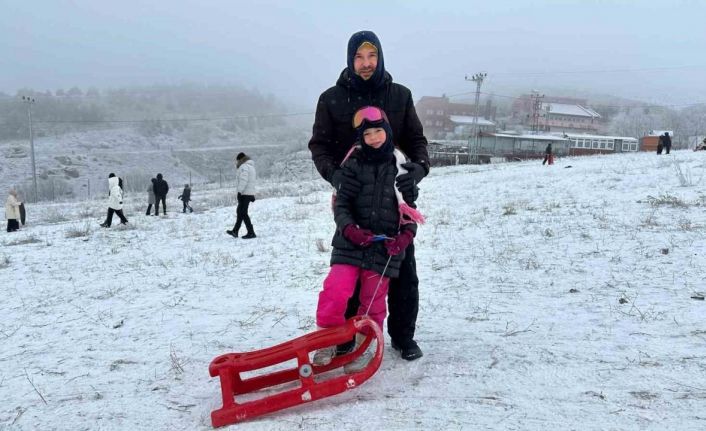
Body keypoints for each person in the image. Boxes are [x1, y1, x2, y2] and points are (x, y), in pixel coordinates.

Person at [308, 30, 430, 361]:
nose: (365, 64)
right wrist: (335, 177)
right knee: (349, 270)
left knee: (402, 272)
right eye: (359, 57)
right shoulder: (331, 99)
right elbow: (318, 145)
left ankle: (403, 337)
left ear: (380, 58)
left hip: (394, 201)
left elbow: (418, 141)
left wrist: (418, 169)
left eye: (371, 56)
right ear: (350, 60)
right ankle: (345, 338)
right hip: (354, 201)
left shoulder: (400, 96)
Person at [313, 107, 422, 373]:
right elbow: (342, 204)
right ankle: (327, 339)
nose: (373, 137)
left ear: (388, 132)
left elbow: (409, 212)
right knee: (336, 290)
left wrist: (404, 238)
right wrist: (349, 229)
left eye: (378, 131)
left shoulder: (400, 168)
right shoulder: (352, 164)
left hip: (383, 250)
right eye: (368, 133)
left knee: (373, 301)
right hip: (350, 243)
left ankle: (367, 345)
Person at [226, 152, 256, 239]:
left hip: (244, 193)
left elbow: (244, 180)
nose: (237, 162)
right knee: (240, 212)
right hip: (248, 193)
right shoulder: (251, 167)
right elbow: (252, 181)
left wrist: (239, 191)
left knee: (243, 212)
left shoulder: (244, 167)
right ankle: (235, 231)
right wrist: (251, 194)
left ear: (240, 159)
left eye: (237, 160)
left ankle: (251, 232)